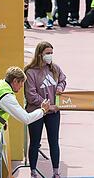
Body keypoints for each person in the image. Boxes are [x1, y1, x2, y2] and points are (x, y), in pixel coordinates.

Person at [24, 42, 66, 178]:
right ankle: (33, 171)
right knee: (35, 142)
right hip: (36, 112)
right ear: (40, 54)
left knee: (54, 141)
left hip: (53, 113)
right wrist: (46, 105)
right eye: (47, 53)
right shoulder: (30, 72)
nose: (50, 56)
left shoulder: (55, 69)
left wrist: (60, 87)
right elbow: (31, 95)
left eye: (51, 53)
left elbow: (63, 79)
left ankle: (56, 171)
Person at [0, 67, 50, 136]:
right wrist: (42, 110)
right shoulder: (6, 96)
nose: (22, 86)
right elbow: (26, 119)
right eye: (21, 82)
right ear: (15, 81)